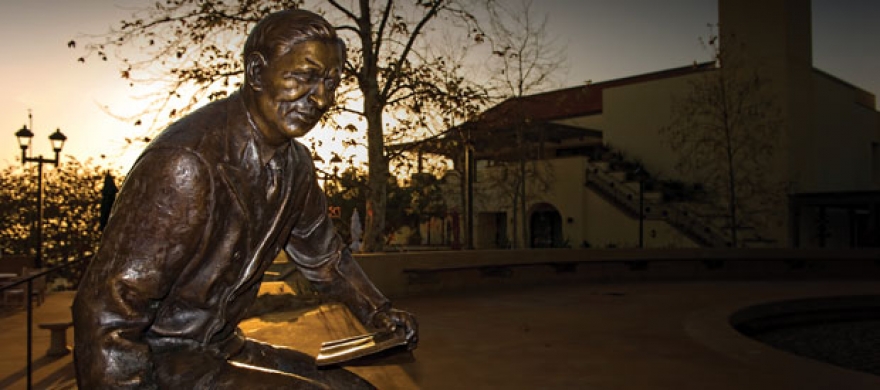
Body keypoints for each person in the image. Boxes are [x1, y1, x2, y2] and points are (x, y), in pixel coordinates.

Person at [72, 9, 417, 389]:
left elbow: (326, 260)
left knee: (353, 388)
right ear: (256, 72)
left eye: (331, 83)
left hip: (219, 347)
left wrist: (379, 313)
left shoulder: (296, 166)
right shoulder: (185, 164)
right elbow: (105, 313)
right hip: (160, 359)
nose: (321, 98)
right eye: (304, 77)